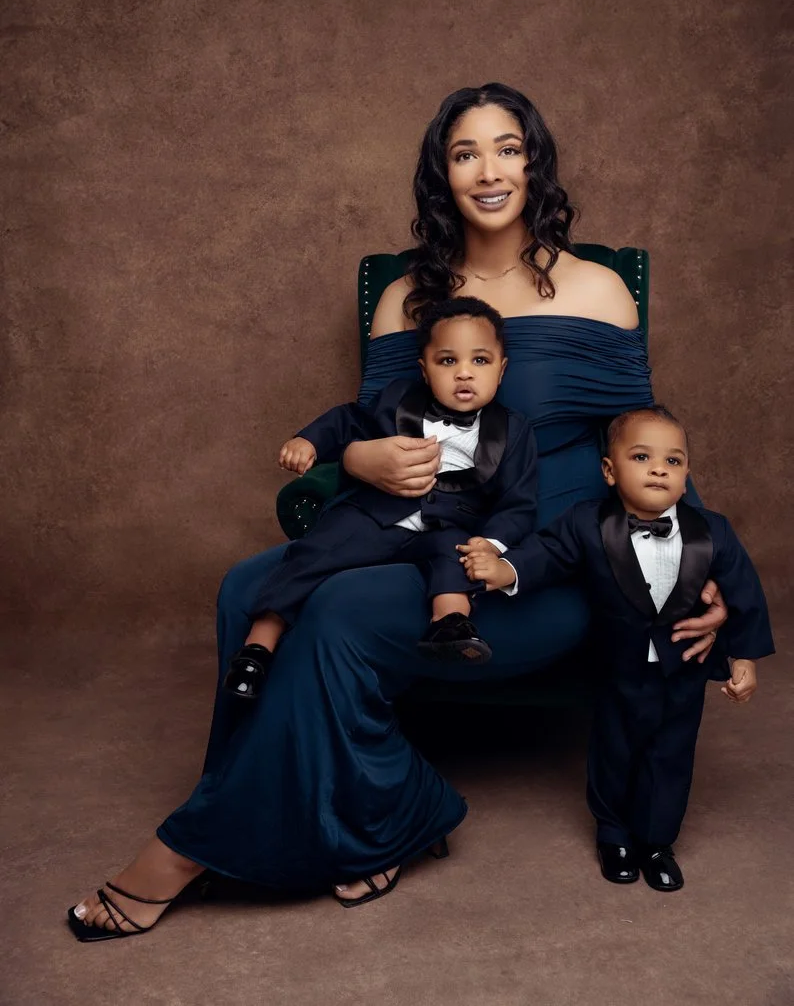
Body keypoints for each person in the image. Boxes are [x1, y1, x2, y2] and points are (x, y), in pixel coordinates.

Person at [68, 82, 728, 939]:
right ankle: (388, 808)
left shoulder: (598, 289)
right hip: (417, 531)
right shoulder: (405, 297)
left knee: (337, 610)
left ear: (534, 163)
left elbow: (650, 441)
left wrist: (703, 561)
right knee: (245, 589)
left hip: (546, 562)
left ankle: (184, 853)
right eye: (465, 153)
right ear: (441, 173)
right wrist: (357, 457)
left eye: (507, 149)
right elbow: (372, 425)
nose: (488, 171)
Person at [460, 405, 774, 892]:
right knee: (614, 750)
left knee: (671, 756)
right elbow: (546, 554)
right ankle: (614, 835)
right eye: (642, 457)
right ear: (609, 470)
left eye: (673, 461)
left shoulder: (714, 530)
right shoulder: (586, 522)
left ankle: (657, 842)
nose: (658, 469)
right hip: (618, 665)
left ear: (686, 475)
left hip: (684, 668)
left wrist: (744, 658)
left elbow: (743, 593)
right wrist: (505, 570)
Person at [223, 297, 537, 698]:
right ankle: (258, 646)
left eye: (480, 360)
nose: (464, 373)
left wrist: (491, 543)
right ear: (424, 370)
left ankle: (450, 625)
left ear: (501, 369)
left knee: (457, 557)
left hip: (449, 524)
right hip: (376, 514)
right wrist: (309, 441)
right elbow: (349, 420)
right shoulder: (398, 399)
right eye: (447, 361)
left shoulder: (514, 431)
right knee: (313, 553)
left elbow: (518, 503)